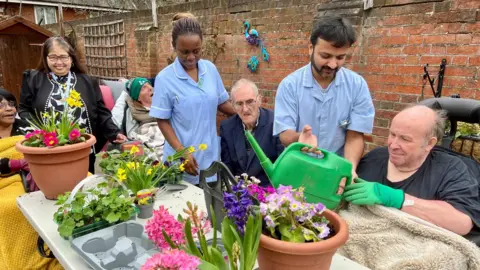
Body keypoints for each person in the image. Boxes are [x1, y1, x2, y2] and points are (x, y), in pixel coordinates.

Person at [343, 105, 480, 236]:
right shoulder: (374, 158)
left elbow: (462, 222)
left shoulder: (451, 169)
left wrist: (399, 199)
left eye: (405, 139)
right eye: (392, 134)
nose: (393, 145)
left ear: (429, 143)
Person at [273, 15, 375, 178]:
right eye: (326, 56)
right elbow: (285, 134)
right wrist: (300, 138)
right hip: (297, 169)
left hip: (335, 171)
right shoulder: (290, 85)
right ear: (310, 48)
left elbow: (355, 136)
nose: (333, 64)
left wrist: (349, 170)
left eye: (340, 57)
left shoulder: (357, 85)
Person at [18, 36, 127, 173]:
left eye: (64, 57)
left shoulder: (87, 81)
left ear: (71, 58)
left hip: (82, 149)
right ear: (45, 58)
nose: (59, 62)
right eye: (53, 57)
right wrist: (36, 133)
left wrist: (114, 133)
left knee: (82, 187)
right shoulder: (34, 79)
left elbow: (101, 112)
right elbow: (24, 110)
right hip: (47, 149)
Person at [150, 16, 236, 185]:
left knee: (210, 206)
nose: (191, 57)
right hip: (182, 162)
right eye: (184, 52)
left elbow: (221, 102)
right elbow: (162, 120)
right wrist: (182, 152)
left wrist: (245, 113)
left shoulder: (210, 70)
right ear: (174, 47)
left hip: (210, 157)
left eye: (196, 51)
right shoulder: (165, 79)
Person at [0, 88, 62, 270]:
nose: (9, 109)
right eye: (1, 105)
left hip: (37, 173)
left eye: (11, 104)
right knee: (10, 207)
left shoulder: (26, 128)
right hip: (6, 182)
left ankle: (58, 250)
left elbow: (47, 151)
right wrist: (16, 164)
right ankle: (27, 260)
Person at [220, 79, 284, 186]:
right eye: (239, 103)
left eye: (250, 102)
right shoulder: (227, 127)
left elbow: (282, 169)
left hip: (269, 192)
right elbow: (228, 168)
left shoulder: (276, 123)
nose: (245, 109)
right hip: (239, 191)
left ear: (259, 100)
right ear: (233, 105)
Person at [124, 77, 165, 159]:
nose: (150, 88)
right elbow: (131, 135)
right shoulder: (133, 112)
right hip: (154, 143)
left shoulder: (164, 107)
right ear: (138, 98)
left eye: (149, 85)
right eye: (144, 88)